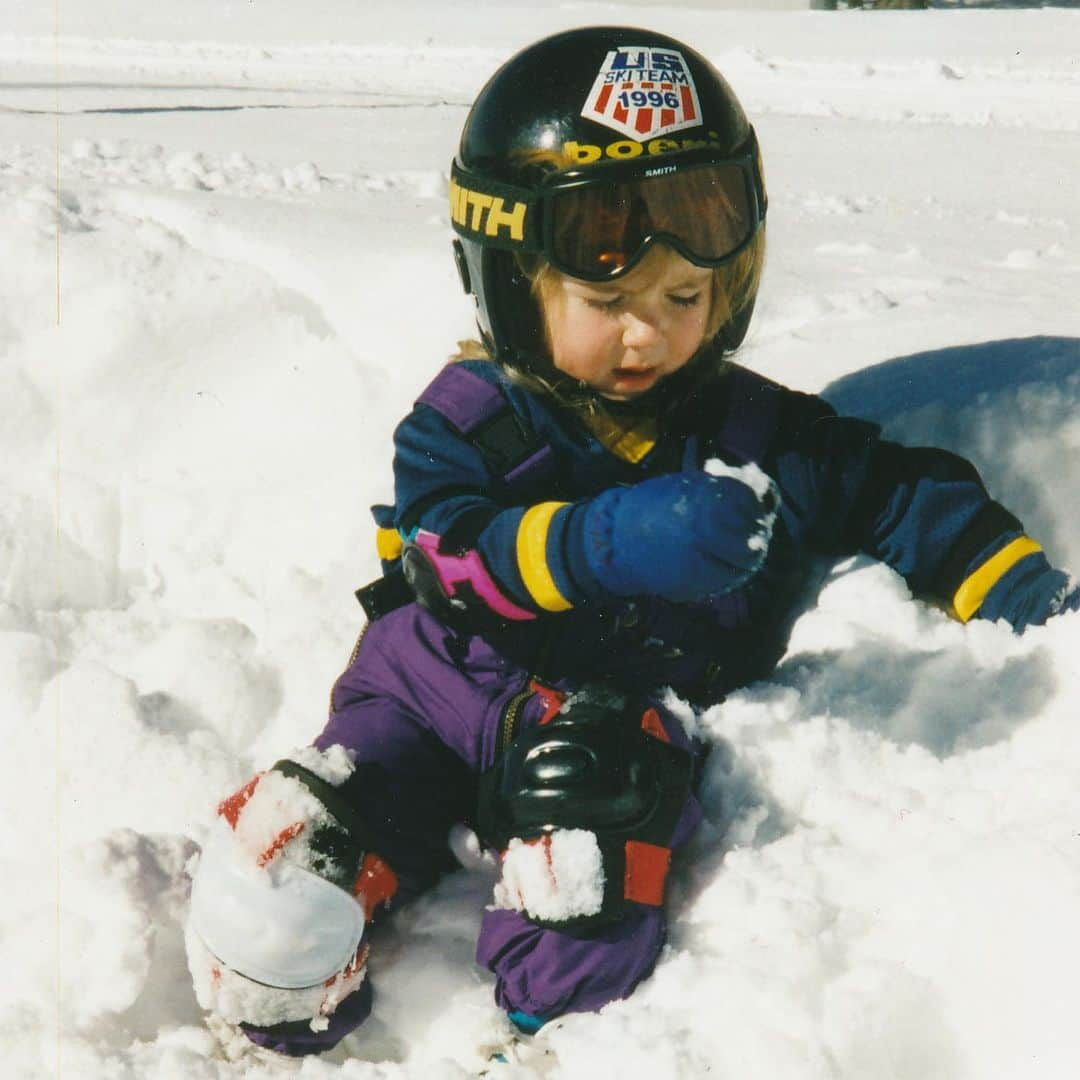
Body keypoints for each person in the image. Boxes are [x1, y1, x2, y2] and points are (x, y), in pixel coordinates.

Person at [184, 26, 1077, 1058]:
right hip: (431, 692)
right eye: (608, 302)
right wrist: (594, 546)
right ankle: (286, 1003)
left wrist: (1031, 607)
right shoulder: (468, 421)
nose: (648, 333)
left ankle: (545, 1040)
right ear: (516, 284)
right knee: (285, 861)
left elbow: (904, 496)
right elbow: (448, 551)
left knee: (587, 873)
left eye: (683, 298)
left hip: (611, 726)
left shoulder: (763, 439)